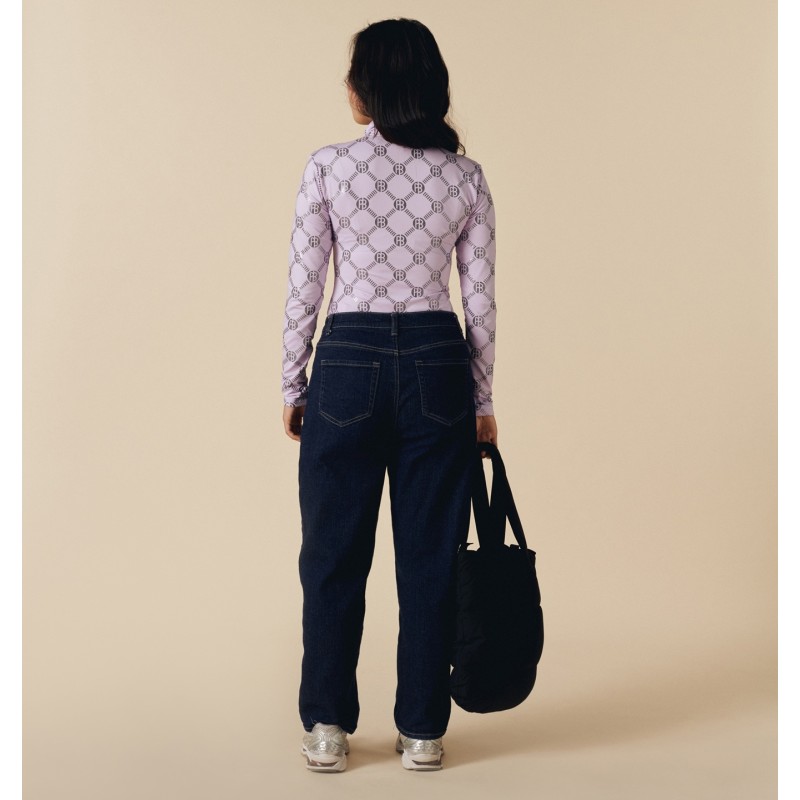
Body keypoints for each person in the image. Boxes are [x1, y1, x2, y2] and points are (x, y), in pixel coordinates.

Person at [281, 17, 498, 772]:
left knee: (332, 553)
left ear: (367, 91)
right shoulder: (465, 178)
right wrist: (482, 401)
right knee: (430, 554)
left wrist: (293, 381)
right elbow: (480, 302)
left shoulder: (328, 167)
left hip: (346, 361)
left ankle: (327, 726)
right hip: (439, 363)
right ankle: (422, 730)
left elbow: (305, 285)